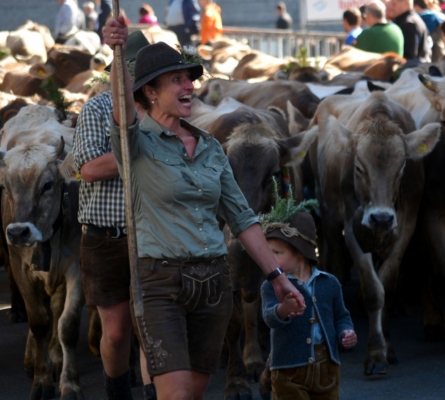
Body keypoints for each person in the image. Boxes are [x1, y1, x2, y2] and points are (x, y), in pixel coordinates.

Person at [103, 15, 306, 400]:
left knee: (192, 393)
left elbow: (242, 218)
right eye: (177, 79)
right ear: (149, 92)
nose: (189, 85)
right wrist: (115, 52)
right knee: (176, 394)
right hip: (160, 283)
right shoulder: (136, 145)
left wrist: (277, 277)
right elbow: (121, 110)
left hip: (214, 283)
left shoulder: (212, 146)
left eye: (189, 78)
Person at [73, 30, 158, 400]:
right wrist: (143, 151)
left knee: (153, 326)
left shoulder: (160, 109)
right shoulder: (95, 108)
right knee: (117, 330)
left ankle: (156, 393)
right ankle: (117, 393)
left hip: (154, 232)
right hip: (105, 235)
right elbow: (89, 169)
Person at [261, 210, 357, 400]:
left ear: (300, 252)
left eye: (277, 253)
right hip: (287, 370)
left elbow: (341, 316)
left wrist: (346, 332)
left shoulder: (329, 283)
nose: (270, 259)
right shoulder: (271, 285)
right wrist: (284, 310)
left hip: (326, 369)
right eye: (268, 252)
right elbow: (269, 317)